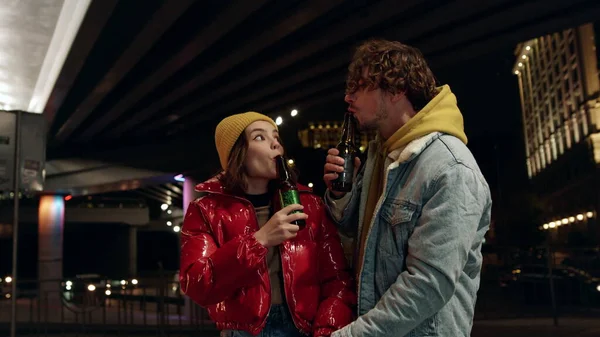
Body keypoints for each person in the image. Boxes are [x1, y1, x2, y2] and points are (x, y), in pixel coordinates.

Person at [322, 39, 492, 336]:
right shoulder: (382, 154)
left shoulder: (451, 168)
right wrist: (340, 193)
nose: (348, 97)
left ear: (398, 89)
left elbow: (428, 284)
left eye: (361, 86)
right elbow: (357, 236)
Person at [180, 111, 356, 337]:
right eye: (259, 137)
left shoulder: (309, 205)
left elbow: (337, 281)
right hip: (243, 332)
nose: (275, 144)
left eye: (276, 137)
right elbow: (197, 284)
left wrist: (325, 331)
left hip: (305, 329)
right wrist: (259, 240)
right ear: (238, 153)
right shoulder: (206, 210)